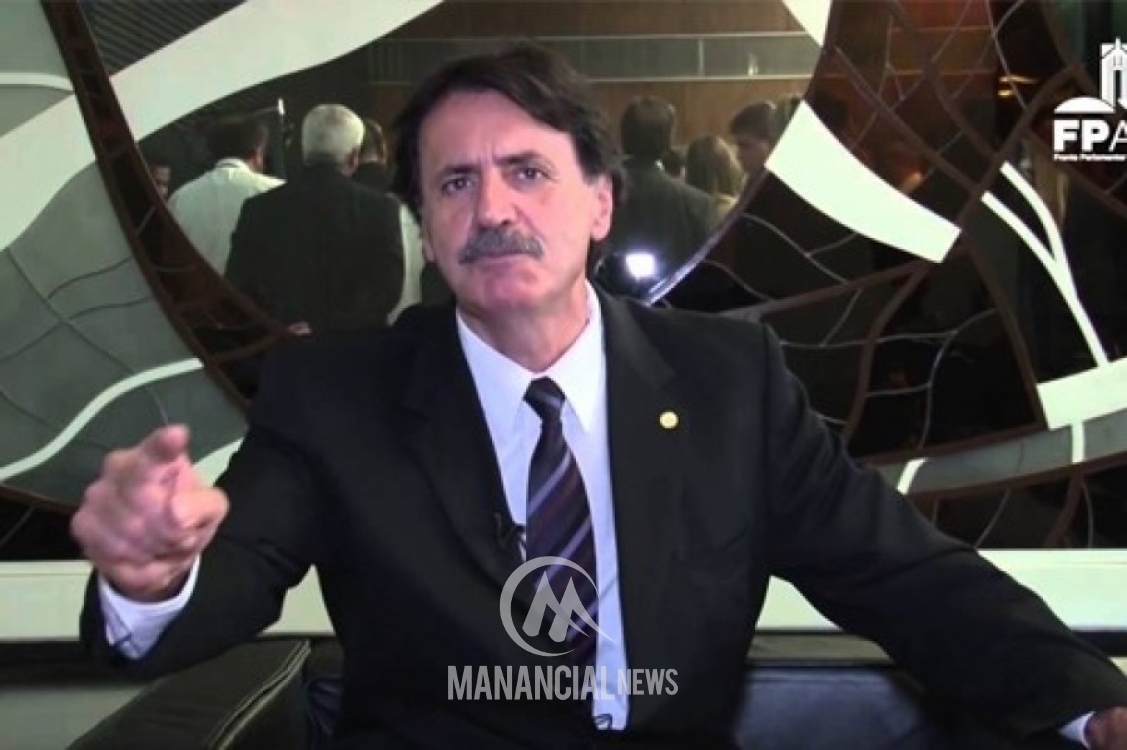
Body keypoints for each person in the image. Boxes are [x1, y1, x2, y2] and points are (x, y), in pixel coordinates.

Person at [72, 44, 1127, 749]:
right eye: (454, 183)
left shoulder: (728, 383)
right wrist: (151, 577)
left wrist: (1094, 708)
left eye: (527, 172)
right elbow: (229, 579)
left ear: (600, 205)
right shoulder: (336, 397)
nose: (492, 209)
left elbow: (902, 574)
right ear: (426, 229)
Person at [225, 104, 404, 335]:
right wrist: (325, 326)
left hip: (281, 345)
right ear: (353, 157)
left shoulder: (258, 209)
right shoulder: (380, 209)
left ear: (303, 149)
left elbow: (238, 287)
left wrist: (280, 325)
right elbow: (386, 290)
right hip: (357, 348)